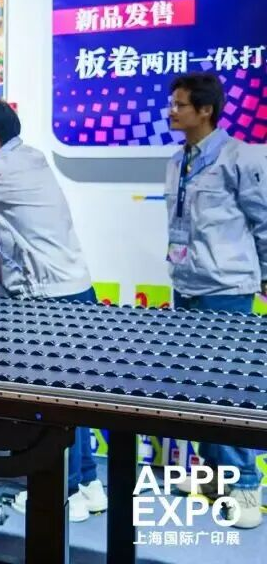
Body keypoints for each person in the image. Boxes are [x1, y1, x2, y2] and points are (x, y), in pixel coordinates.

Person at [0, 100, 107, 523]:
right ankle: (87, 483)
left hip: (52, 302)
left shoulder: (3, 170)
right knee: (72, 396)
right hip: (68, 294)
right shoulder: (23, 160)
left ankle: (63, 494)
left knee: (55, 401)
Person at [164, 73, 266, 529]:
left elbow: (263, 221)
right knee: (198, 386)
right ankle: (211, 475)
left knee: (229, 388)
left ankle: (245, 484)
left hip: (227, 289)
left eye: (180, 105)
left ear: (206, 110)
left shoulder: (240, 157)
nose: (172, 112)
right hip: (187, 283)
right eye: (172, 103)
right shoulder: (177, 159)